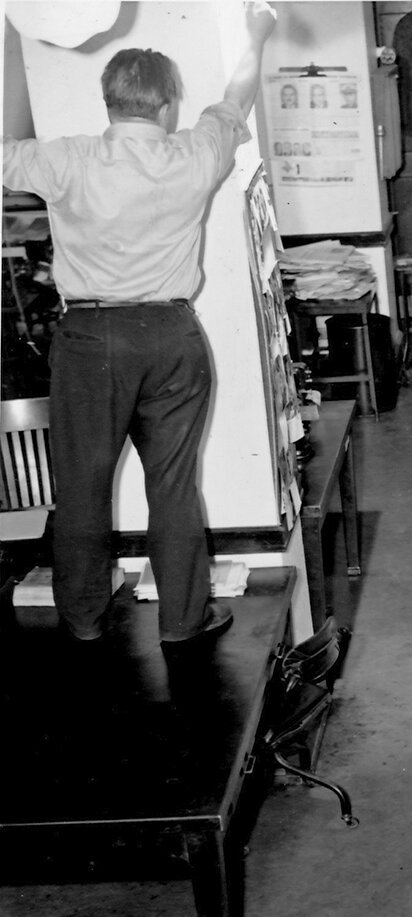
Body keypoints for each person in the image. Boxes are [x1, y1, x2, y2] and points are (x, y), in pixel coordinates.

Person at [1, 3, 276, 648]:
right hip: (173, 338)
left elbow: (5, 148)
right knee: (174, 486)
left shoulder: (66, 160)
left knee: (82, 488)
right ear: (167, 105)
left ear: (108, 101)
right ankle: (183, 622)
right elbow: (238, 91)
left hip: (90, 341)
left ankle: (85, 622)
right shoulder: (194, 152)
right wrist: (256, 31)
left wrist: (13, 41)